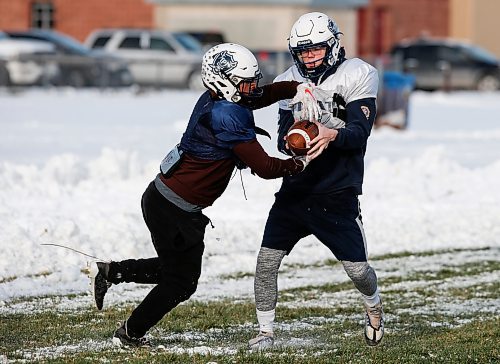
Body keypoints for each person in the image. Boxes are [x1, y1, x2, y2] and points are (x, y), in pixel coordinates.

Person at [89, 43, 322, 348]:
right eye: (245, 82)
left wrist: (295, 88)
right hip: (172, 209)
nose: (252, 88)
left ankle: (113, 272)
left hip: (171, 203)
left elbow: (258, 95)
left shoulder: (219, 99)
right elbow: (264, 166)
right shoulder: (226, 113)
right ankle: (130, 333)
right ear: (224, 81)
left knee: (178, 271)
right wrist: (300, 163)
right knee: (180, 281)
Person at [248, 12, 384, 350]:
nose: (308, 57)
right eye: (302, 51)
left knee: (357, 271)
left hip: (338, 190)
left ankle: (374, 306)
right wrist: (297, 136)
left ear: (334, 45)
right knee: (266, 262)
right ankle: (265, 332)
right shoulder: (288, 79)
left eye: (316, 50)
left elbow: (359, 133)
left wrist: (329, 132)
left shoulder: (358, 74)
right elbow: (282, 138)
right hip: (297, 189)